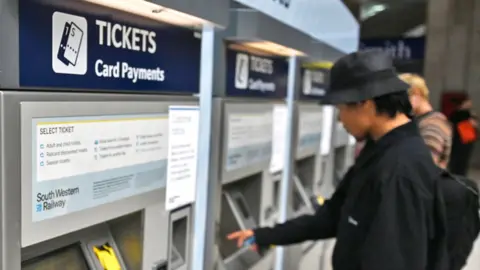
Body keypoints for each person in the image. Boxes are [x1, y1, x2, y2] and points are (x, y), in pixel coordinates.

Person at [227, 50, 448, 270]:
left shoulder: (401, 166)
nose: (340, 120)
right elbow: (333, 216)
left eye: (341, 108)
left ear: (365, 104)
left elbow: (394, 260)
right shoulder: (380, 150)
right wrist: (264, 235)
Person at [399, 73, 452, 169]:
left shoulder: (434, 123)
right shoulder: (420, 119)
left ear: (417, 93)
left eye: (403, 98)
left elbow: (427, 163)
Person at [448, 95, 478, 176]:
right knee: (463, 161)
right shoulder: (467, 114)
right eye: (468, 102)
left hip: (456, 140)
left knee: (455, 160)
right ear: (463, 103)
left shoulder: (454, 113)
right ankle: (461, 176)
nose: (470, 103)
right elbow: (474, 124)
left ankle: (454, 175)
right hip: (465, 140)